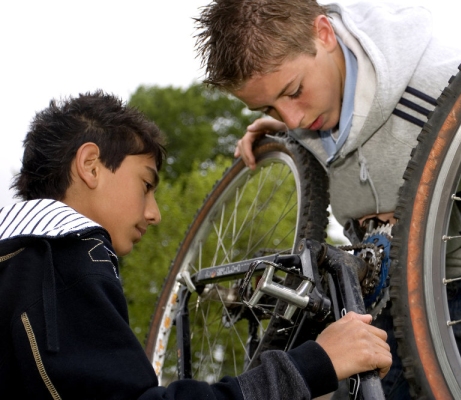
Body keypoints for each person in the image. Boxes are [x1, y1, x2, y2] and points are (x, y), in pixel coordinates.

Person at [193, 0, 461, 399]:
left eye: (294, 91)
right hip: (403, 286)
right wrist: (284, 135)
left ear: (325, 34)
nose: (292, 118)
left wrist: (422, 229)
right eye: (270, 106)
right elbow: (316, 118)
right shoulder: (310, 111)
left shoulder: (435, 89)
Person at [0, 90, 392, 399]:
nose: (154, 213)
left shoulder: (22, 267)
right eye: (146, 184)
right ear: (90, 166)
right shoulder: (63, 253)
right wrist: (315, 364)